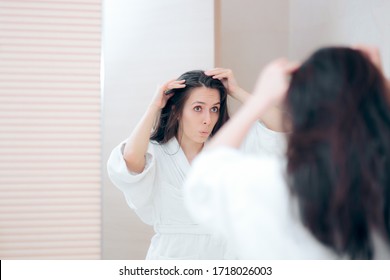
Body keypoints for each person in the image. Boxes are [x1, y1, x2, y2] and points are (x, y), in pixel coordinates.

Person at [184, 46, 390, 259]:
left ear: (300, 108)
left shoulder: (277, 185)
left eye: (214, 108)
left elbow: (204, 180)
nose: (207, 119)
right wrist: (377, 86)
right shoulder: (380, 184)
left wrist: (262, 97)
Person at [107, 68, 287, 259]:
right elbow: (130, 161)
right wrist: (154, 107)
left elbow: (282, 128)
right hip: (172, 258)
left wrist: (237, 91)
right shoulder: (155, 152)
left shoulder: (228, 150)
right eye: (198, 108)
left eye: (214, 109)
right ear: (176, 110)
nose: (207, 120)